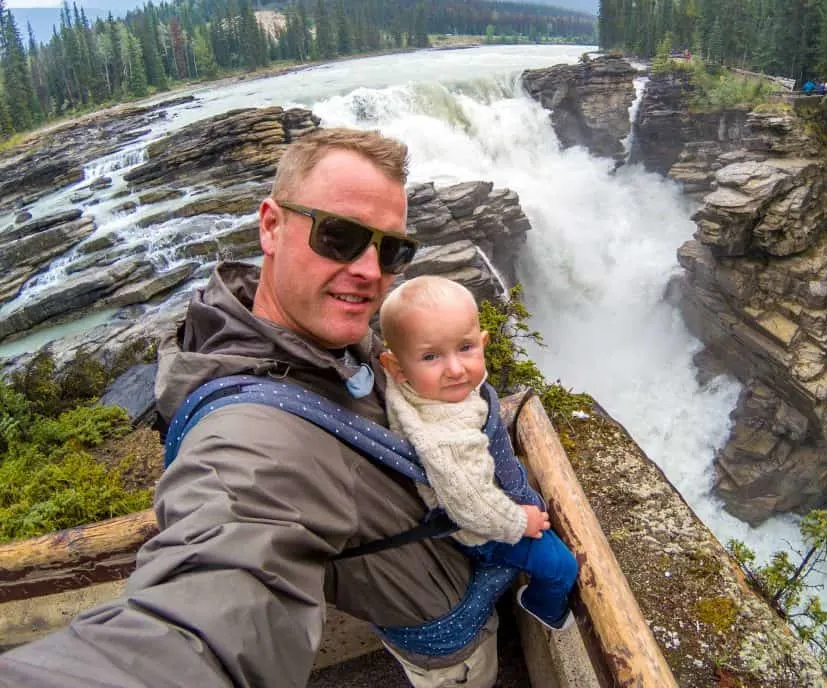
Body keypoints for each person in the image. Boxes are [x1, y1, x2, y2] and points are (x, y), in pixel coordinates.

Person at [0, 128, 504, 688]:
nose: (368, 269)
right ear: (270, 225)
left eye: (392, 249)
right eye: (339, 236)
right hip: (444, 646)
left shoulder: (325, 338)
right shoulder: (250, 437)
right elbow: (205, 621)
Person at [378, 276, 578, 631]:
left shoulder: (427, 389)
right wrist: (521, 522)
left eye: (465, 348)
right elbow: (474, 506)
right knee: (561, 566)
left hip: (478, 500)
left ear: (482, 342)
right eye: (430, 356)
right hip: (483, 527)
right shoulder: (444, 440)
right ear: (397, 368)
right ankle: (543, 608)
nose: (455, 369)